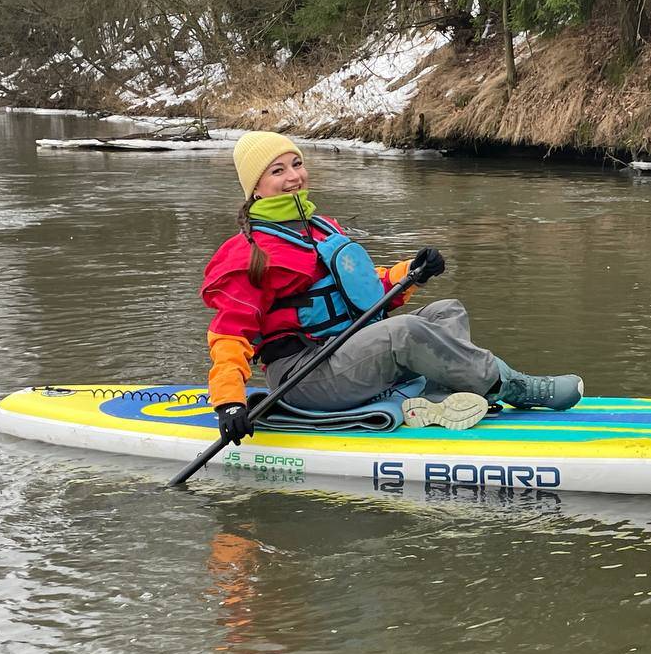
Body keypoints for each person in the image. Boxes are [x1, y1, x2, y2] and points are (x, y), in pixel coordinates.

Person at [201, 131, 583, 445]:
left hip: (349, 353)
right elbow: (229, 335)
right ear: (256, 188)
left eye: (297, 164)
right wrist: (229, 403)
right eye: (277, 171)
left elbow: (364, 290)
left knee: (447, 310)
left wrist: (411, 271)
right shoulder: (249, 254)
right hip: (304, 376)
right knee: (404, 333)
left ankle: (436, 398)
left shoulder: (320, 227)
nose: (293, 177)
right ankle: (511, 386)